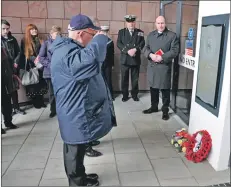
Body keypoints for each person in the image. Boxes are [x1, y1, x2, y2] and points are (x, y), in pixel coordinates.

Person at [49, 14, 117, 186]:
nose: (93, 38)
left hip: (76, 110)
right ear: (81, 34)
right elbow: (91, 60)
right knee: (73, 152)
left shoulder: (69, 48)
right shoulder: (66, 53)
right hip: (74, 113)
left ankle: (81, 177)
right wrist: (101, 38)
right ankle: (77, 183)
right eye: (91, 35)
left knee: (78, 149)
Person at [142, 16, 179, 120]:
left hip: (164, 67)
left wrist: (162, 57)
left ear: (165, 23)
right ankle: (154, 107)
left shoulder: (172, 36)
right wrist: (150, 55)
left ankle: (165, 110)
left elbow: (175, 50)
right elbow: (145, 48)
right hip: (153, 66)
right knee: (153, 88)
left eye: (162, 23)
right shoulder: (151, 35)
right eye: (158, 23)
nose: (160, 25)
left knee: (165, 90)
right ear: (155, 24)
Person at [117, 15, 145, 102]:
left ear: (135, 22)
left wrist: (135, 49)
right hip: (125, 59)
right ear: (126, 23)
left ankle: (134, 95)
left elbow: (142, 43)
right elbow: (119, 43)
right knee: (124, 79)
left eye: (132, 22)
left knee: (135, 79)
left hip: (135, 59)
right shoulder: (121, 32)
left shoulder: (140, 32)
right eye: (129, 22)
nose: (131, 24)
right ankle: (125, 95)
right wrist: (127, 51)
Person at [19, 24, 47, 109]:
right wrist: (35, 59)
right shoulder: (25, 40)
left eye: (35, 29)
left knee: (41, 84)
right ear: (28, 31)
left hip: (40, 65)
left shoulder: (40, 39)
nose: (34, 30)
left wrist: (40, 60)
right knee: (33, 85)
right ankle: (36, 103)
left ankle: (41, 102)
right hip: (31, 66)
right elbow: (25, 53)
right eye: (32, 29)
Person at [1, 20, 26, 115]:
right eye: (3, 28)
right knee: (4, 91)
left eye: (7, 29)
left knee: (14, 89)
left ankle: (16, 108)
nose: (5, 31)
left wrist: (16, 62)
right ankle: (8, 111)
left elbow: (18, 52)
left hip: (12, 68)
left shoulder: (12, 39)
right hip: (3, 69)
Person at [39, 25, 62, 118]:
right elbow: (41, 57)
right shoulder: (46, 43)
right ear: (51, 34)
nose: (58, 36)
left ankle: (61, 110)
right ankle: (53, 110)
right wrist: (50, 65)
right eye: (56, 34)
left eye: (59, 34)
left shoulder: (62, 43)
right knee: (52, 93)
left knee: (61, 92)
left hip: (61, 72)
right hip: (50, 72)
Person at [1, 47, 19, 134]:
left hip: (7, 84)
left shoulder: (4, 53)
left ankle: (8, 122)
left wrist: (13, 74)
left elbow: (11, 66)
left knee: (7, 105)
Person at [100, 25, 115, 100]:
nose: (104, 33)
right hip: (100, 64)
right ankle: (102, 97)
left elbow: (112, 54)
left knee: (108, 80)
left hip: (108, 64)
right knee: (100, 80)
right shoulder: (97, 40)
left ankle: (110, 96)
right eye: (103, 31)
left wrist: (112, 64)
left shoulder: (110, 41)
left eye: (106, 32)